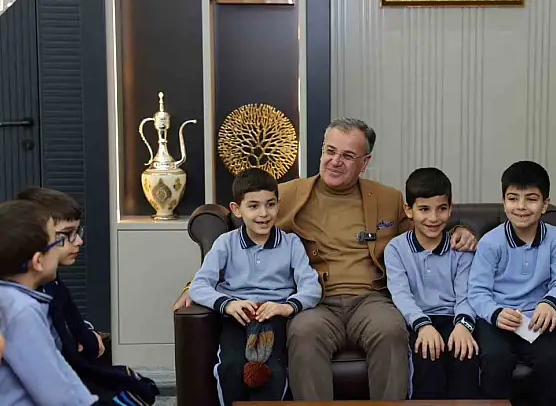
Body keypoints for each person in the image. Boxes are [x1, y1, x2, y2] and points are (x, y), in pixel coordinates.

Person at [173, 118, 477, 400]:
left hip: (371, 299)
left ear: (365, 162)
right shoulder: (288, 194)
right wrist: (194, 284)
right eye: (330, 151)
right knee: (303, 332)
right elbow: (239, 231)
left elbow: (425, 228)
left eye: (347, 155)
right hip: (316, 301)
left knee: (390, 330)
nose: (335, 161)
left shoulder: (388, 198)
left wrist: (459, 231)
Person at [188, 168, 322, 405]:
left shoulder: (291, 243)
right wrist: (228, 304)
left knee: (273, 372)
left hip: (274, 318)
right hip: (236, 318)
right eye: (253, 206)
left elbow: (312, 287)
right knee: (230, 368)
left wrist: (286, 307)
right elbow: (199, 285)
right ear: (237, 209)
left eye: (270, 205)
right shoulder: (226, 243)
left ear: (278, 205)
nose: (263, 214)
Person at [16, 186, 159, 405]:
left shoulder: (51, 283)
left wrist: (85, 332)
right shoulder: (22, 305)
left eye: (77, 232)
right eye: (66, 235)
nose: (78, 241)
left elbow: (67, 319)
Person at [468, 160, 556, 406]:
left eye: (531, 199)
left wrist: (550, 302)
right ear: (503, 202)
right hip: (496, 320)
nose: (521, 207)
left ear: (545, 204)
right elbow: (477, 291)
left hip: (534, 321)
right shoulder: (491, 242)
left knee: (552, 360)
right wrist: (496, 313)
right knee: (496, 360)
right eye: (513, 198)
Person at [384, 167, 480, 399]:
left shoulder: (460, 249)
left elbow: (466, 294)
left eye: (441, 209)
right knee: (427, 359)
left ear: (450, 209)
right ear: (408, 210)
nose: (434, 218)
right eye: (424, 209)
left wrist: (463, 326)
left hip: (454, 318)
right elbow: (401, 294)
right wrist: (423, 325)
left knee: (465, 356)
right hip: (417, 320)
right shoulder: (396, 249)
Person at [0, 199, 99, 406]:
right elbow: (53, 393)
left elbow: (58, 365)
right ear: (38, 261)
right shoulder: (21, 310)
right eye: (57, 241)